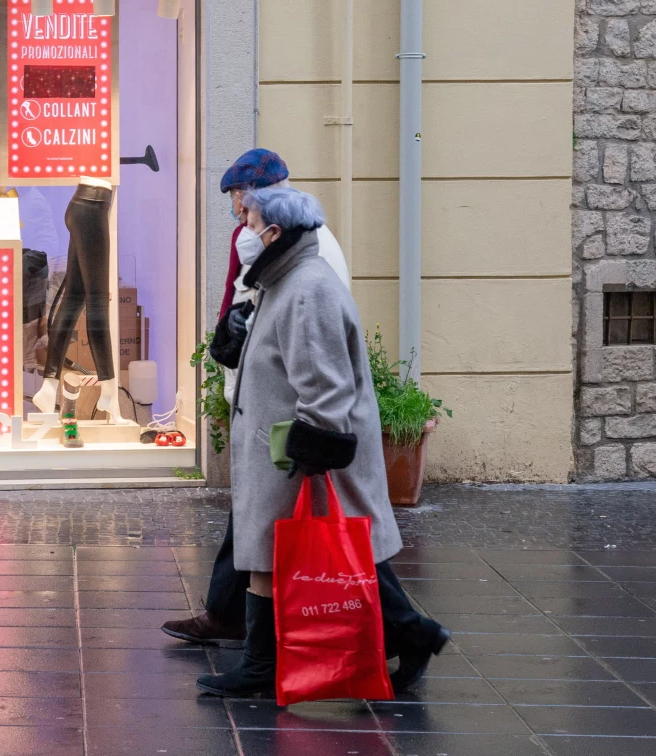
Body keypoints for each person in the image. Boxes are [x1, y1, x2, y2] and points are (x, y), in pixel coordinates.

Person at [194, 186, 450, 698]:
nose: (243, 226)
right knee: (293, 555)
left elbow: (325, 385)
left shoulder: (307, 289)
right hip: (282, 453)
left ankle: (268, 664)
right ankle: (271, 662)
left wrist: (310, 456)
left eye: (250, 217)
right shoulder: (283, 282)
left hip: (295, 456)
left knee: (332, 553)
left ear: (277, 231)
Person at [161, 148, 351, 648]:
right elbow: (243, 304)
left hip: (285, 407)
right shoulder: (274, 236)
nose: (238, 212)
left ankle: (403, 628)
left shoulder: (295, 248)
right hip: (271, 398)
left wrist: (313, 428)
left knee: (292, 522)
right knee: (258, 513)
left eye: (240, 201)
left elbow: (285, 321)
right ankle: (229, 616)